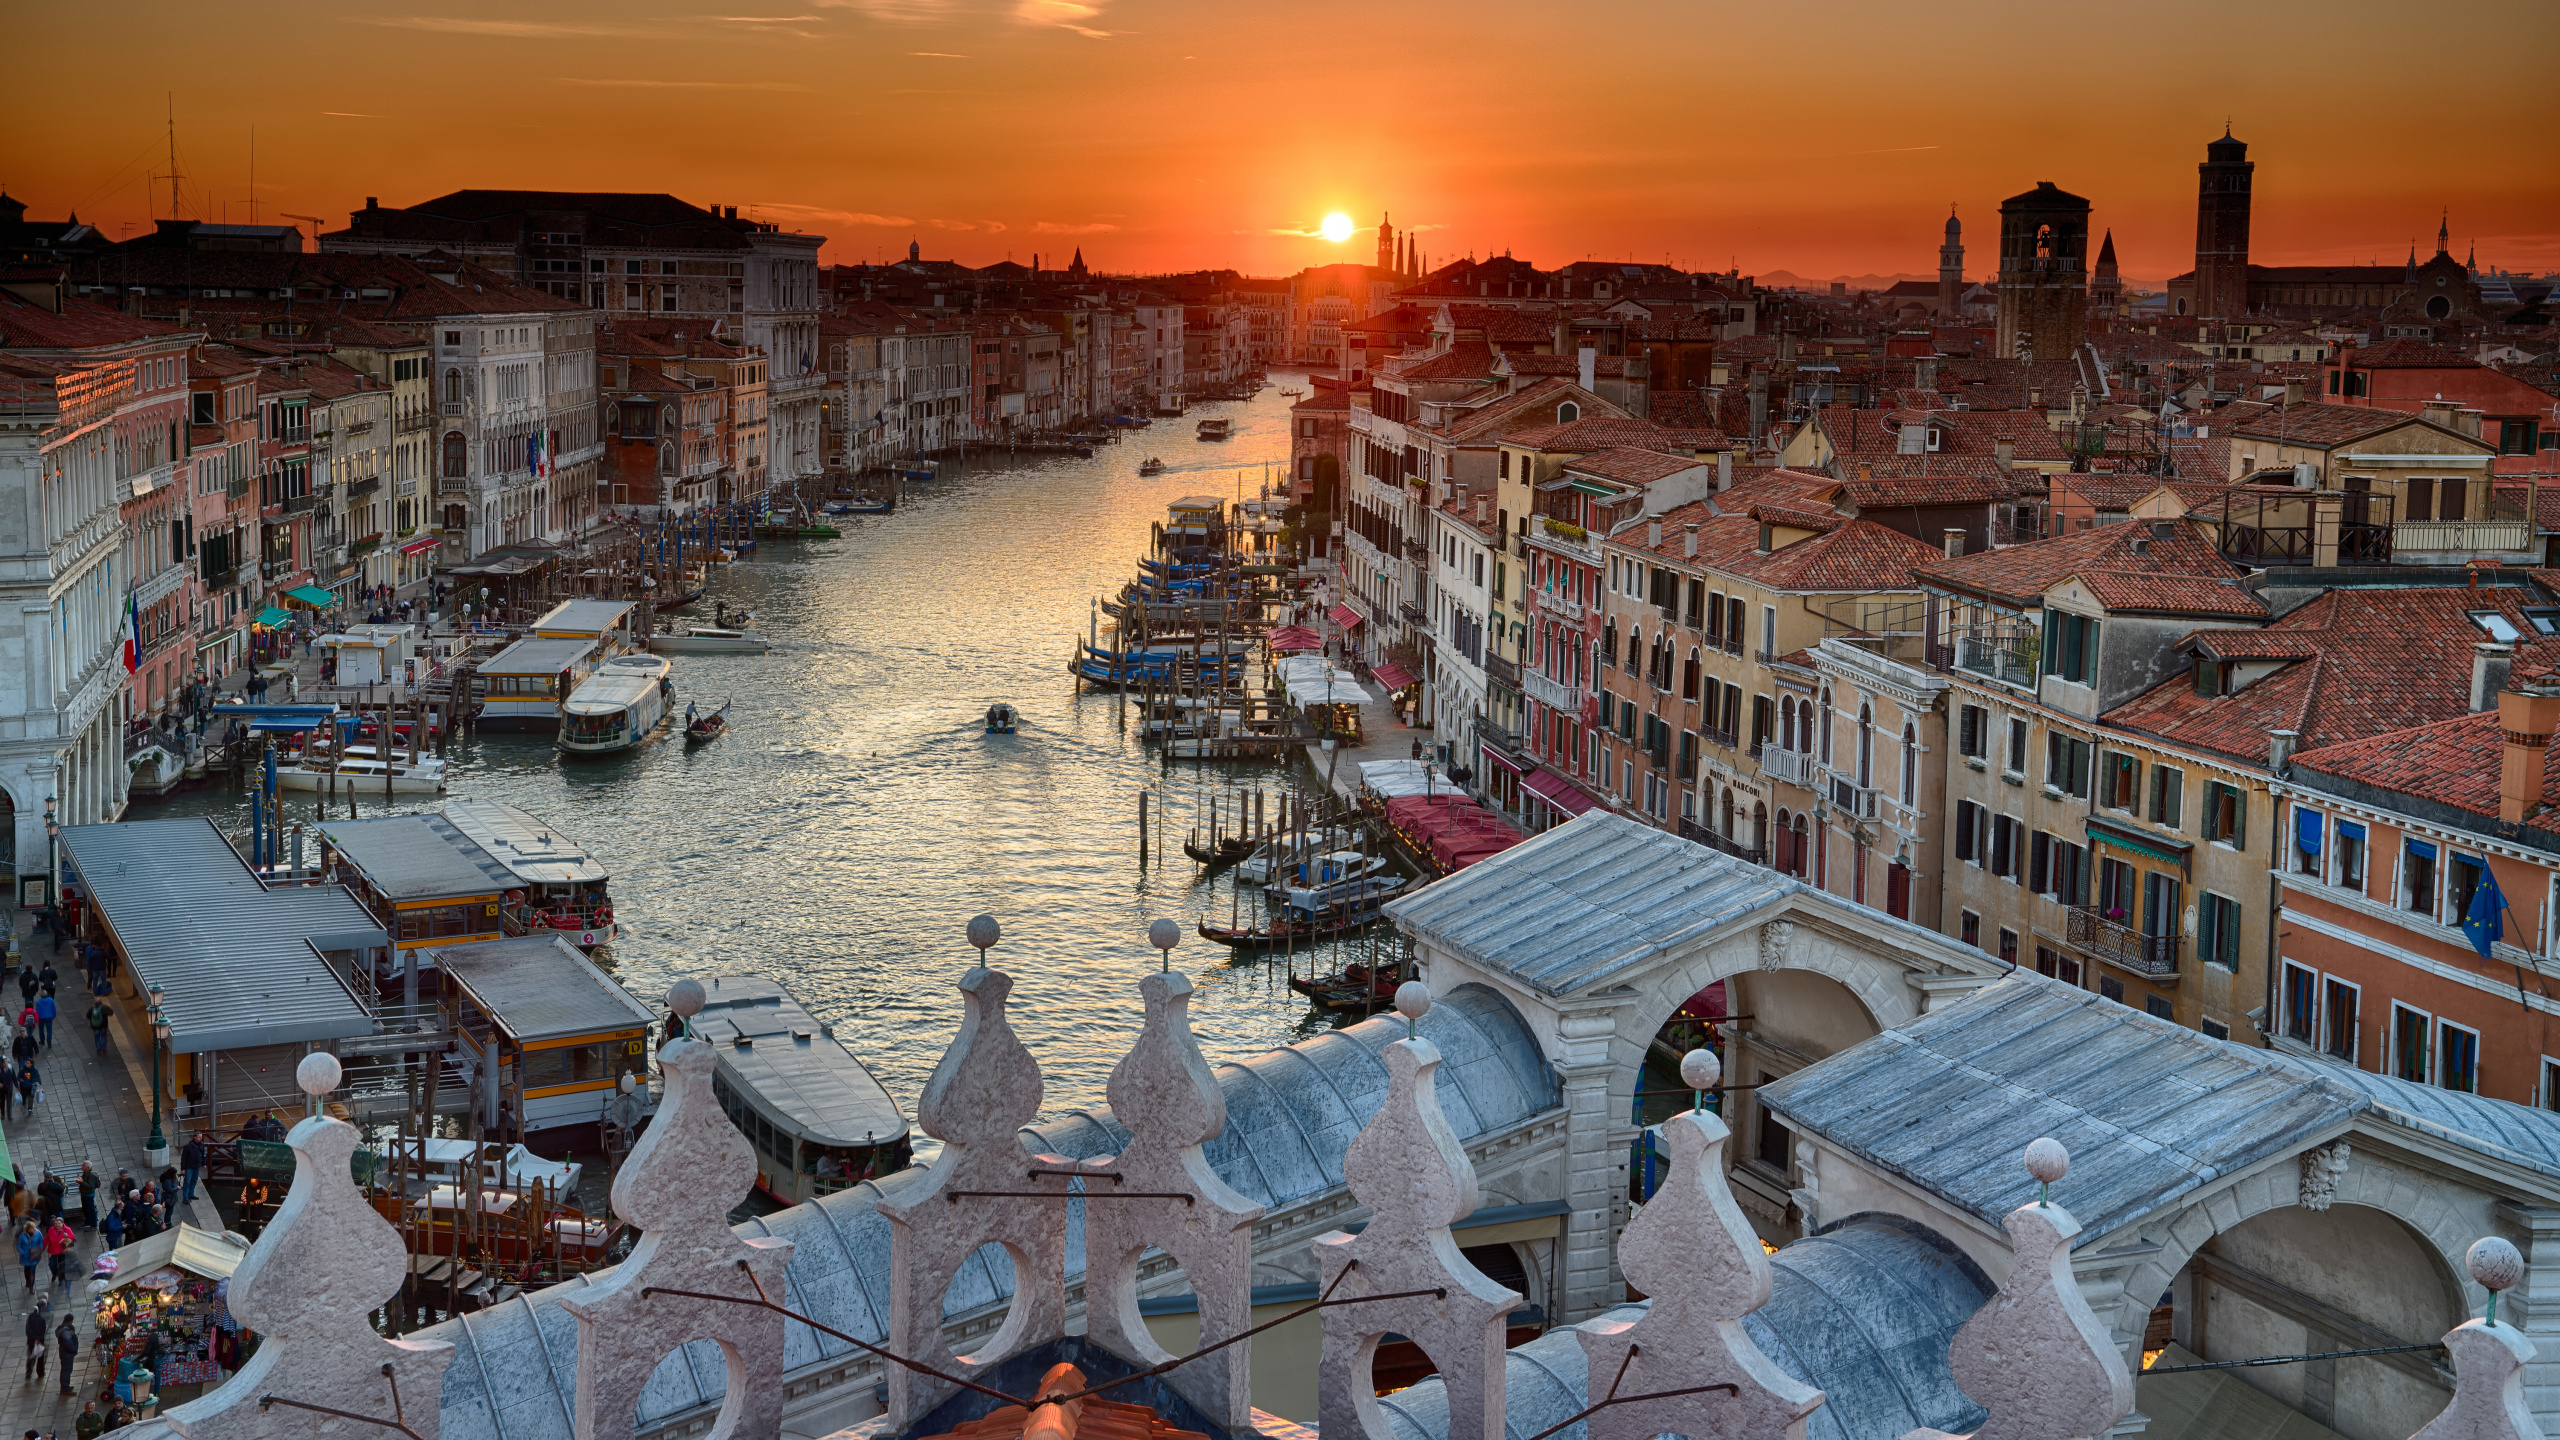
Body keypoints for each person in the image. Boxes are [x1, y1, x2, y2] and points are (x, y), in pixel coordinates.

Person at [40, 1220, 69, 1289]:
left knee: (61, 1265)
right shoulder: (51, 1230)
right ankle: (55, 1274)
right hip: (52, 1251)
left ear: (62, 1224)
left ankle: (61, 1279)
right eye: (56, 1224)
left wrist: (67, 1237)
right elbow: (46, 1239)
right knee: (51, 1264)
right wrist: (41, 1249)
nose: (57, 1225)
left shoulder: (66, 1230)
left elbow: (72, 1238)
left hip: (62, 1251)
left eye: (59, 1224)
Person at [179, 1135, 205, 1208]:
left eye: (201, 1137)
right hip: (189, 1166)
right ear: (195, 1137)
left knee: (194, 1180)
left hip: (197, 1166)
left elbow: (203, 1155)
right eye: (199, 1137)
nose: (201, 1138)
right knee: (187, 1182)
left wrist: (204, 1163)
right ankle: (185, 1198)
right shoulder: (188, 1146)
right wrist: (183, 1169)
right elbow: (183, 1158)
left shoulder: (201, 1145)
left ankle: (191, 1194)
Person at [20, 1303, 44, 1383]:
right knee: (40, 1357)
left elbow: (28, 1330)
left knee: (31, 1357)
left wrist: (33, 1338)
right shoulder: (42, 1319)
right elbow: (43, 1332)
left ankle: (28, 1373)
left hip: (31, 1341)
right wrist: (38, 1339)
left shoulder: (30, 1317)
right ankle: (40, 1373)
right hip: (39, 1341)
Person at [55, 1316, 76, 1398]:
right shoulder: (66, 1331)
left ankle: (65, 1386)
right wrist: (73, 1349)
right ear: (70, 1321)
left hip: (64, 1352)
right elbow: (68, 1342)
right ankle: (65, 1389)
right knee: (66, 1371)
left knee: (65, 1370)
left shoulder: (62, 1328)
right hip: (67, 1353)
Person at [13, 1223, 37, 1293]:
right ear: (28, 1229)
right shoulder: (22, 1236)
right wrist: (22, 1253)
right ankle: (28, 1281)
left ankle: (31, 1286)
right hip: (26, 1257)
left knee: (33, 1271)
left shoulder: (37, 1234)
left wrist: (39, 1250)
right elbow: (18, 1246)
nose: (34, 1229)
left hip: (34, 1256)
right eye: (32, 1228)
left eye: (34, 1228)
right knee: (27, 1270)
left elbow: (40, 1242)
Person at [74, 1167, 95, 1232]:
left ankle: (93, 1225)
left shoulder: (92, 1175)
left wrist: (82, 1182)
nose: (81, 1167)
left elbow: (91, 1186)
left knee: (91, 1210)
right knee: (85, 1209)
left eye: (83, 1166)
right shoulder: (85, 1173)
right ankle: (87, 1222)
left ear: (87, 1167)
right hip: (84, 1194)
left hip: (88, 1195)